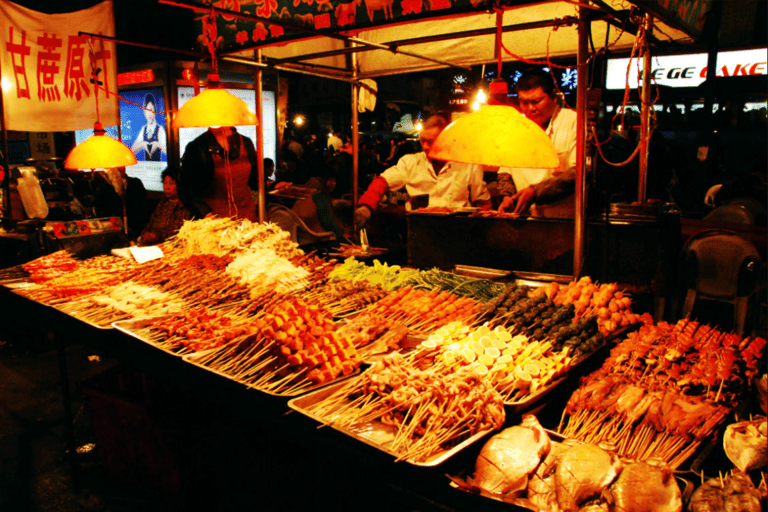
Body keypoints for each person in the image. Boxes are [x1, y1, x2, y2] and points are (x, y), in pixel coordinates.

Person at [353, 114, 492, 231]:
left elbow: (483, 203)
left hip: (458, 231)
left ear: (445, 138)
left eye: (430, 142)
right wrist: (366, 206)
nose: (425, 146)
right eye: (422, 140)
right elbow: (382, 181)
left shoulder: (468, 165)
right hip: (419, 230)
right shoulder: (411, 162)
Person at [497, 69, 577, 217]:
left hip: (564, 219)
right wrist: (507, 196)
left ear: (553, 97)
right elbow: (504, 173)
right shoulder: (516, 130)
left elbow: (579, 173)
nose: (531, 109)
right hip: (525, 219)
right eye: (524, 102)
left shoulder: (573, 122)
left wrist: (536, 192)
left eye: (536, 101)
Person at [178, 126, 259, 221]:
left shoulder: (246, 142)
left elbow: (255, 181)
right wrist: (206, 214)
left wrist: (273, 185)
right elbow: (185, 190)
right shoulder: (197, 147)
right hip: (214, 220)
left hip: (247, 217)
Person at [137, 167, 192, 246]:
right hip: (152, 244)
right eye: (165, 183)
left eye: (171, 183)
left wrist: (156, 236)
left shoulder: (183, 205)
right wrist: (145, 234)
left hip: (169, 246)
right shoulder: (162, 203)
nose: (167, 187)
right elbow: (150, 223)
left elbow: (177, 232)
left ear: (179, 185)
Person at [293, 164, 346, 239]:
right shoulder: (319, 194)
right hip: (314, 236)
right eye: (330, 180)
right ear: (320, 178)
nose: (333, 183)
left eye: (335, 181)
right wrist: (342, 235)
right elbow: (327, 222)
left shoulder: (308, 188)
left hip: (299, 233)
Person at [131, 94, 167, 161]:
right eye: (147, 110)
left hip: (158, 168)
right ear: (144, 112)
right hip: (146, 168)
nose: (150, 113)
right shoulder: (144, 129)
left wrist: (157, 145)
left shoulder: (159, 129)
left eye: (151, 109)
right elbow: (132, 150)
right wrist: (142, 144)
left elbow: (169, 151)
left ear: (155, 111)